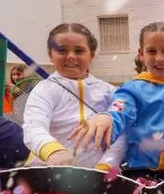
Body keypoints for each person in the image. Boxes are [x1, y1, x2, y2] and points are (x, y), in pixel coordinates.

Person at [68, 22, 164, 180]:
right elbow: (120, 110)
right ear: (141, 54)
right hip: (142, 174)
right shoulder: (133, 89)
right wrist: (108, 117)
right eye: (151, 51)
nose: (160, 58)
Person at [22, 23, 125, 168]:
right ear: (51, 55)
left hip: (97, 179)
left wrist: (106, 165)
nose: (70, 56)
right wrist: (53, 151)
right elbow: (33, 127)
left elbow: (121, 134)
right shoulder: (44, 90)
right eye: (62, 50)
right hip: (49, 175)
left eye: (79, 51)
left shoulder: (110, 91)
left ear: (92, 55)